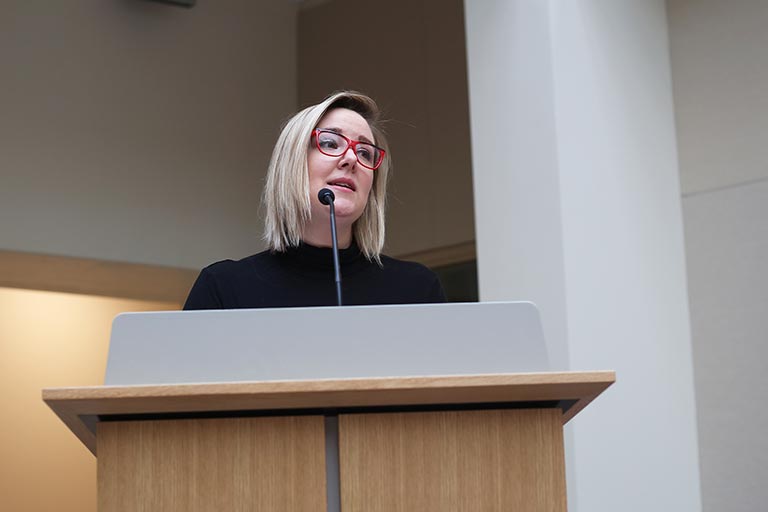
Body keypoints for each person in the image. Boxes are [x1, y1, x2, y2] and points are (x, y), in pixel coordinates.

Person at [183, 91, 446, 310]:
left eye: (365, 152)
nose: (352, 159)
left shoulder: (417, 290)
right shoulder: (224, 289)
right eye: (331, 143)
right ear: (292, 163)